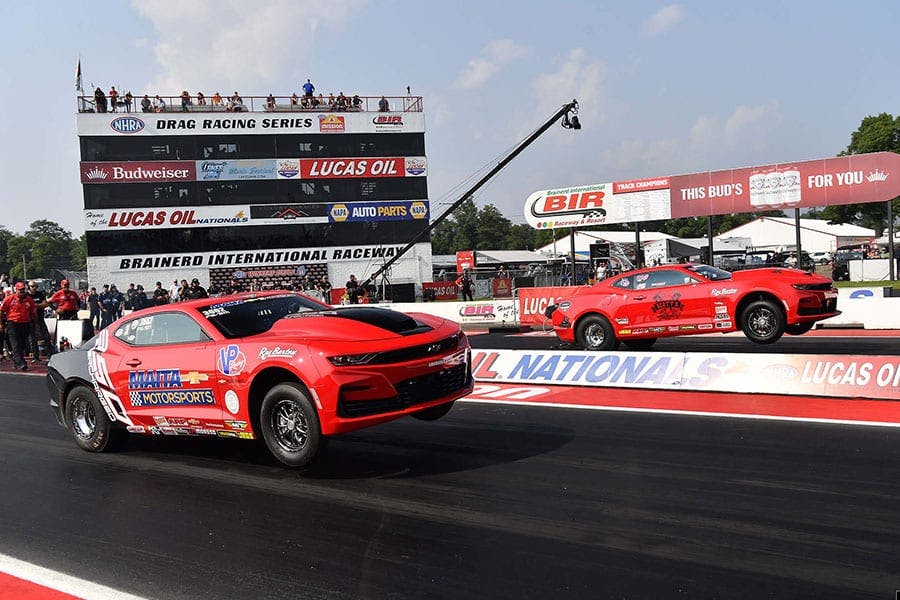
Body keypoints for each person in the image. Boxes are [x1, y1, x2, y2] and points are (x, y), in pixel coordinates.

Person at [0, 282, 37, 371]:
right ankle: (21, 363)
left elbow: (33, 313)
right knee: (15, 344)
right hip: (13, 323)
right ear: (16, 290)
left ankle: (16, 361)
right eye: (20, 290)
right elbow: (1, 311)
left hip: (25, 324)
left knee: (23, 344)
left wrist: (35, 323)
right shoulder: (9, 299)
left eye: (23, 290)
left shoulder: (29, 300)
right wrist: (1, 324)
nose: (21, 292)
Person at [26, 281, 52, 363]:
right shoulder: (26, 296)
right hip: (30, 319)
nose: (34, 288)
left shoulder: (40, 294)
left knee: (46, 336)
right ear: (29, 287)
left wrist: (34, 305)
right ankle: (35, 356)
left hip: (40, 318)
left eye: (35, 286)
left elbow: (45, 304)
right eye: (32, 286)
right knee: (32, 339)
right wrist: (38, 305)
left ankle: (49, 354)